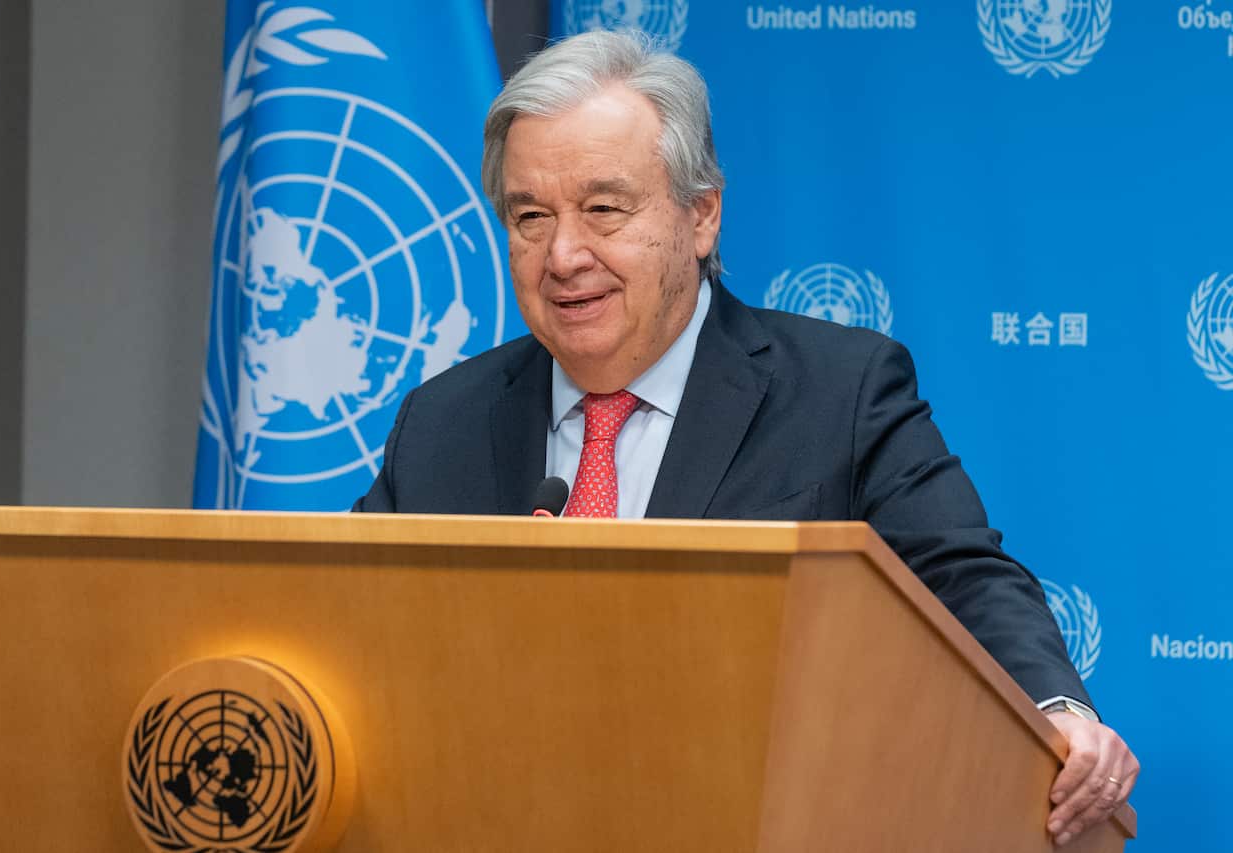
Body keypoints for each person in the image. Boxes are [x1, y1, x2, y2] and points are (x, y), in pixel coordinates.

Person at [353, 29, 1138, 845]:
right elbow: (348, 621)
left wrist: (1058, 713)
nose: (563, 254)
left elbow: (961, 575)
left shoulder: (841, 391)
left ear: (701, 215)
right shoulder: (441, 420)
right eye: (529, 217)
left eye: (603, 209)